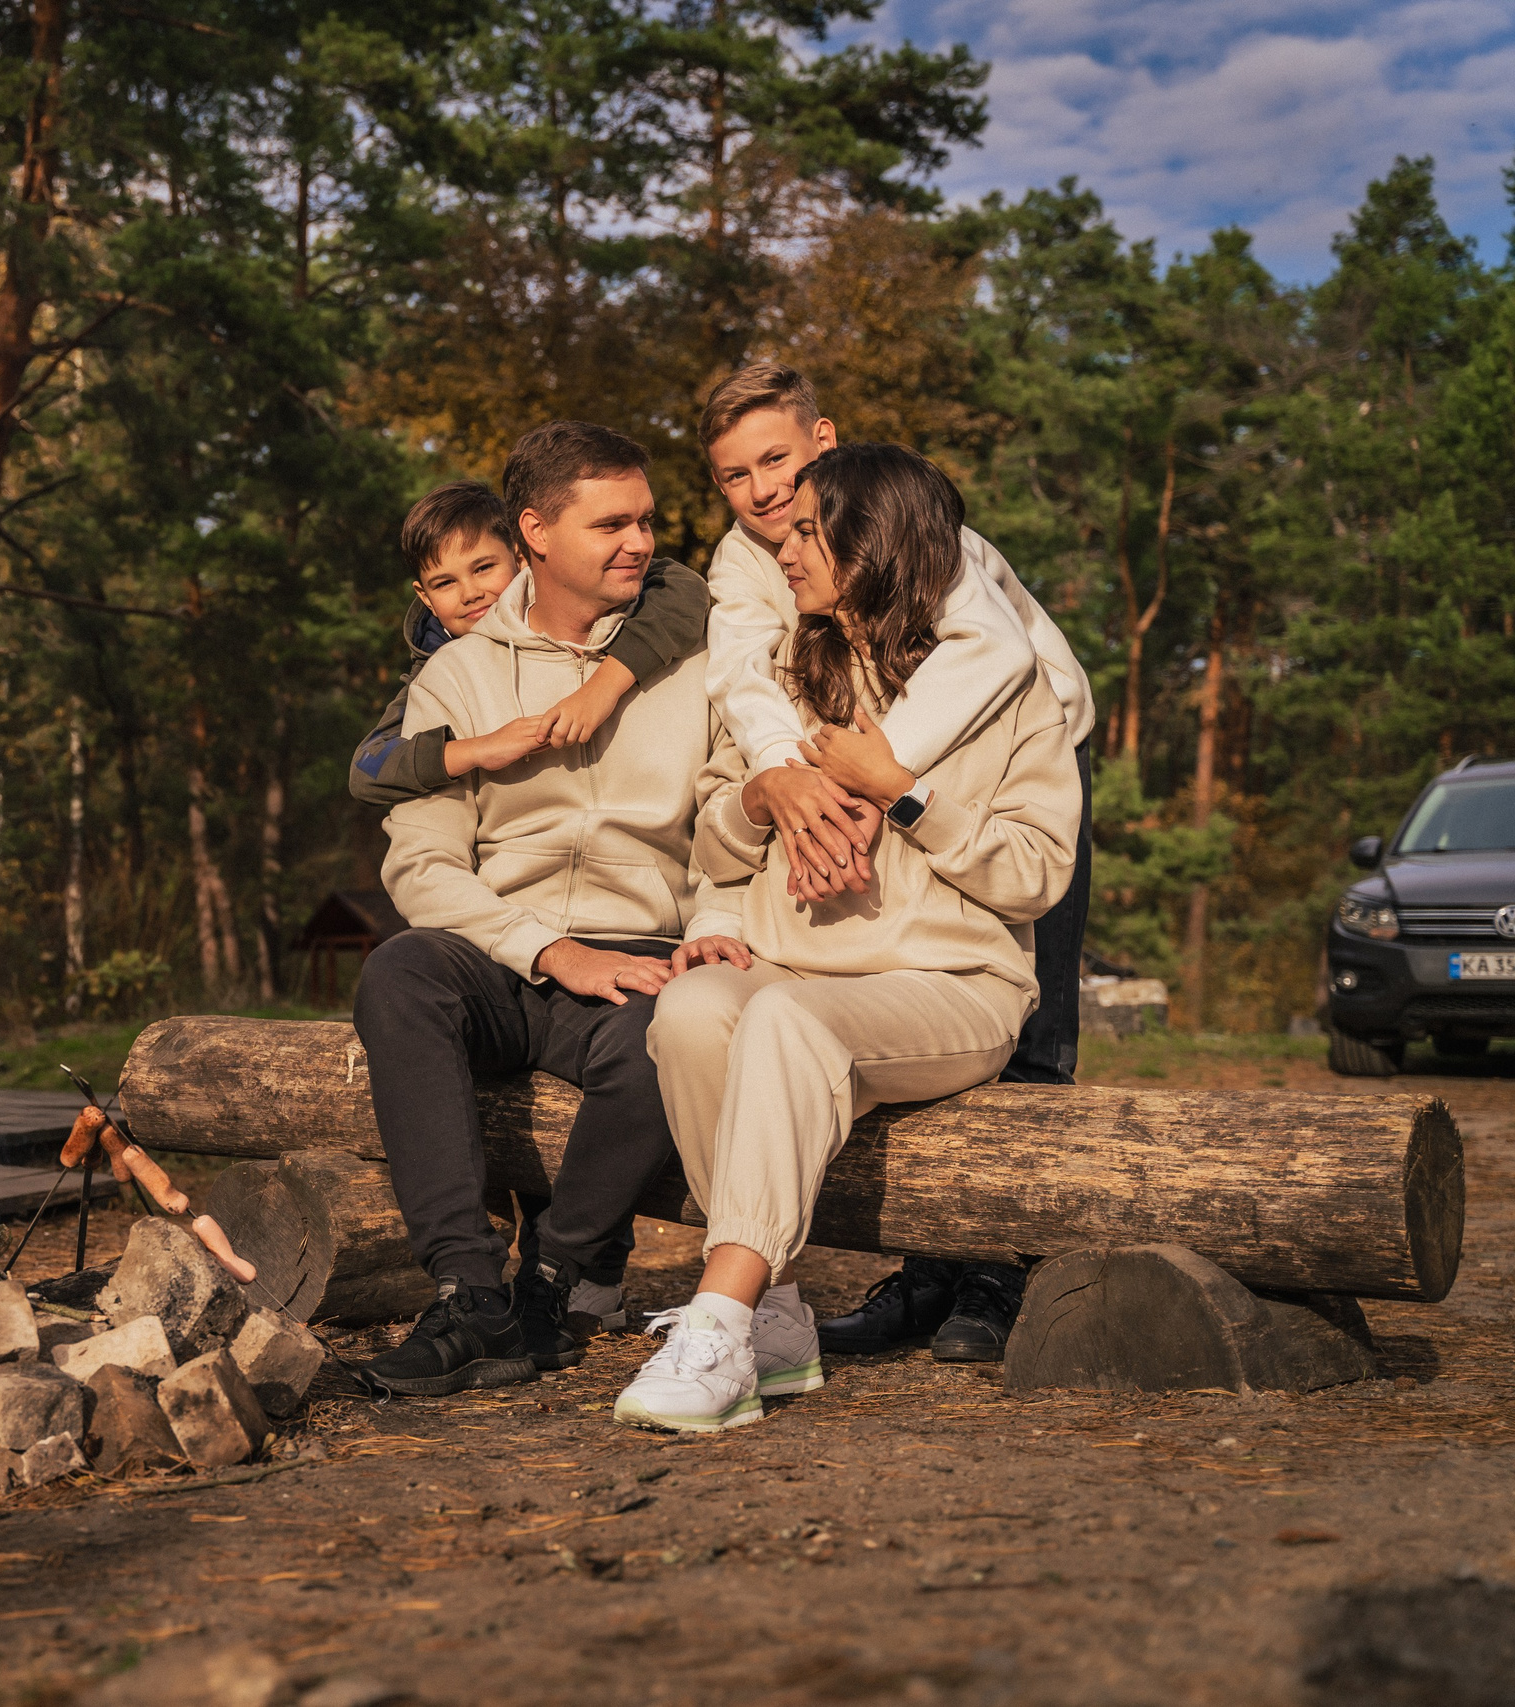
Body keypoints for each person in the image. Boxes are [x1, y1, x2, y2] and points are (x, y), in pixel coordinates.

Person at [614, 443, 1081, 1433]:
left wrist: (902, 795)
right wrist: (758, 797)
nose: (782, 543)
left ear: (874, 543)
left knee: (785, 1019)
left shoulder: (1010, 693)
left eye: (809, 529)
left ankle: (716, 1318)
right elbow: (712, 831)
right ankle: (776, 1323)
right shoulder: (786, 674)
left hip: (953, 984)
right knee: (692, 1011)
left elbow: (1038, 876)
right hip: (793, 965)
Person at [699, 362, 1096, 1362]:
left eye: (777, 460)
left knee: (1028, 1039)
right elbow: (743, 681)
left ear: (823, 442)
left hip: (1007, 760)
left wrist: (885, 779)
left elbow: (995, 656)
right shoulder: (750, 562)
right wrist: (792, 779)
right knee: (885, 1021)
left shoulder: (917, 529)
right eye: (734, 475)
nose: (761, 492)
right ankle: (924, 1276)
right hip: (868, 767)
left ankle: (997, 1278)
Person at [352, 421, 753, 1398]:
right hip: (498, 949)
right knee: (398, 973)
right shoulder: (458, 675)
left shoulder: (692, 662)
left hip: (641, 949)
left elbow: (729, 825)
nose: (640, 541)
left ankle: (551, 1282)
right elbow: (423, 864)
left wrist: (713, 928)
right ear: (536, 532)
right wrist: (544, 949)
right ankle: (466, 1291)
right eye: (611, 523)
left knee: (676, 1029)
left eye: (647, 520)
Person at [350, 481, 710, 809]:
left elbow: (682, 586)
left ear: (520, 556)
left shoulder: (577, 608)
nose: (471, 593)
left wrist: (602, 689)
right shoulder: (433, 666)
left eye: (483, 568)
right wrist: (478, 749)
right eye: (444, 583)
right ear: (425, 597)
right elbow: (367, 770)